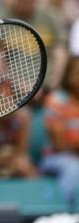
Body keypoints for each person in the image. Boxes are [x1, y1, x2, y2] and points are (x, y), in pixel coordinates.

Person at [40, 56, 79, 206]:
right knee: (74, 167)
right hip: (55, 159)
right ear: (68, 74)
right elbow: (60, 144)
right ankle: (63, 213)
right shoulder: (56, 100)